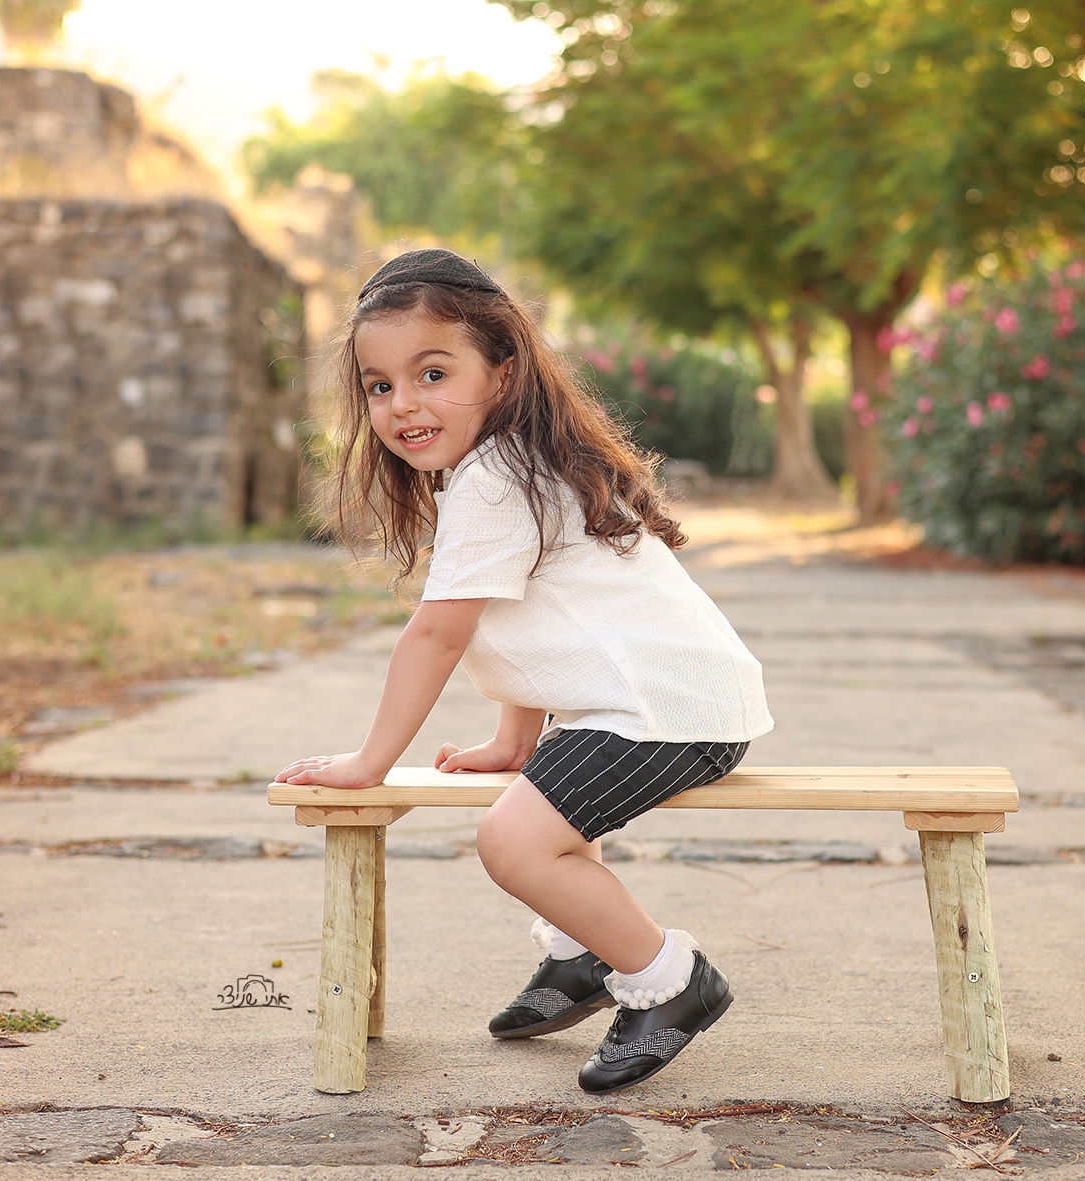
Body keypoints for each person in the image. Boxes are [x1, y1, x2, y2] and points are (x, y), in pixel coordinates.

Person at [273, 248, 773, 1094]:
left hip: (669, 710)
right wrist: (515, 737)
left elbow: (438, 635)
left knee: (514, 839)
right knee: (534, 803)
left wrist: (367, 763)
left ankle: (668, 979)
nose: (403, 404)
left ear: (503, 372)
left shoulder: (497, 477)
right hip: (662, 702)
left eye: (433, 372)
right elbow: (540, 625)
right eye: (379, 385)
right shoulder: (505, 463)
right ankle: (580, 958)